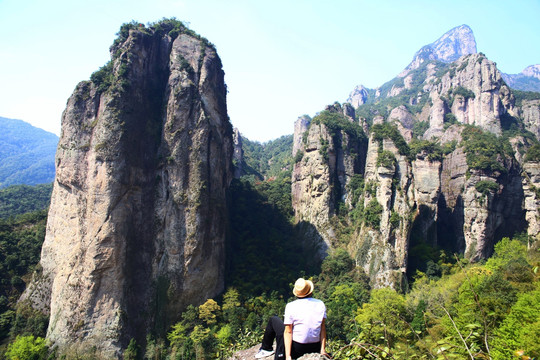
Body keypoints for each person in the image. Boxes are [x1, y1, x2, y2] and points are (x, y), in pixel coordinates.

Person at [255, 278, 328, 360]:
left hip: (297, 348)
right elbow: (322, 328)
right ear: (310, 292)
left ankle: (266, 349)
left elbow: (288, 331)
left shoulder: (291, 306)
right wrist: (322, 350)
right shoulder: (320, 304)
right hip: (315, 347)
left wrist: (288, 356)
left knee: (274, 319)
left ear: (296, 294)